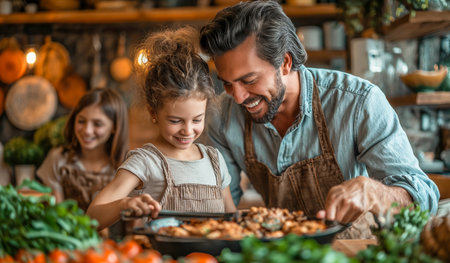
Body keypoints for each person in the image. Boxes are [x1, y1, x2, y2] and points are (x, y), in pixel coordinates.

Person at [199, 0, 439, 238]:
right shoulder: (222, 116)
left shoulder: (358, 102)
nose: (239, 97)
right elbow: (220, 208)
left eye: (249, 80)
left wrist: (375, 192)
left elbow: (424, 198)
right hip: (282, 256)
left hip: (357, 252)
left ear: (284, 62)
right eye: (227, 84)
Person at [87, 27, 236, 231]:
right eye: (176, 121)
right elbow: (92, 217)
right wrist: (124, 204)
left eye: (197, 119)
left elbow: (232, 221)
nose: (187, 130)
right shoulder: (145, 161)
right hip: (164, 262)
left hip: (213, 262)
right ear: (153, 112)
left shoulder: (215, 160)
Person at [37, 87, 129, 237]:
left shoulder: (127, 166)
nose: (87, 130)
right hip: (69, 243)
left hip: (115, 251)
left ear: (114, 127)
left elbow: (133, 226)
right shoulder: (58, 159)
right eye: (81, 121)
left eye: (97, 124)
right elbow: (58, 216)